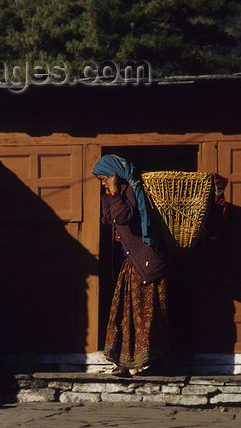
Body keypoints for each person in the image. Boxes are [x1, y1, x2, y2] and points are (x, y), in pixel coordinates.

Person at [93, 155, 169, 377]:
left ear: (113, 174)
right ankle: (124, 363)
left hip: (148, 263)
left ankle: (153, 363)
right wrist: (109, 193)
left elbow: (124, 216)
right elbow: (109, 219)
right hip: (134, 264)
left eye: (103, 179)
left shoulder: (132, 191)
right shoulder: (119, 194)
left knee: (147, 315)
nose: (103, 183)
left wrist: (115, 190)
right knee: (125, 314)